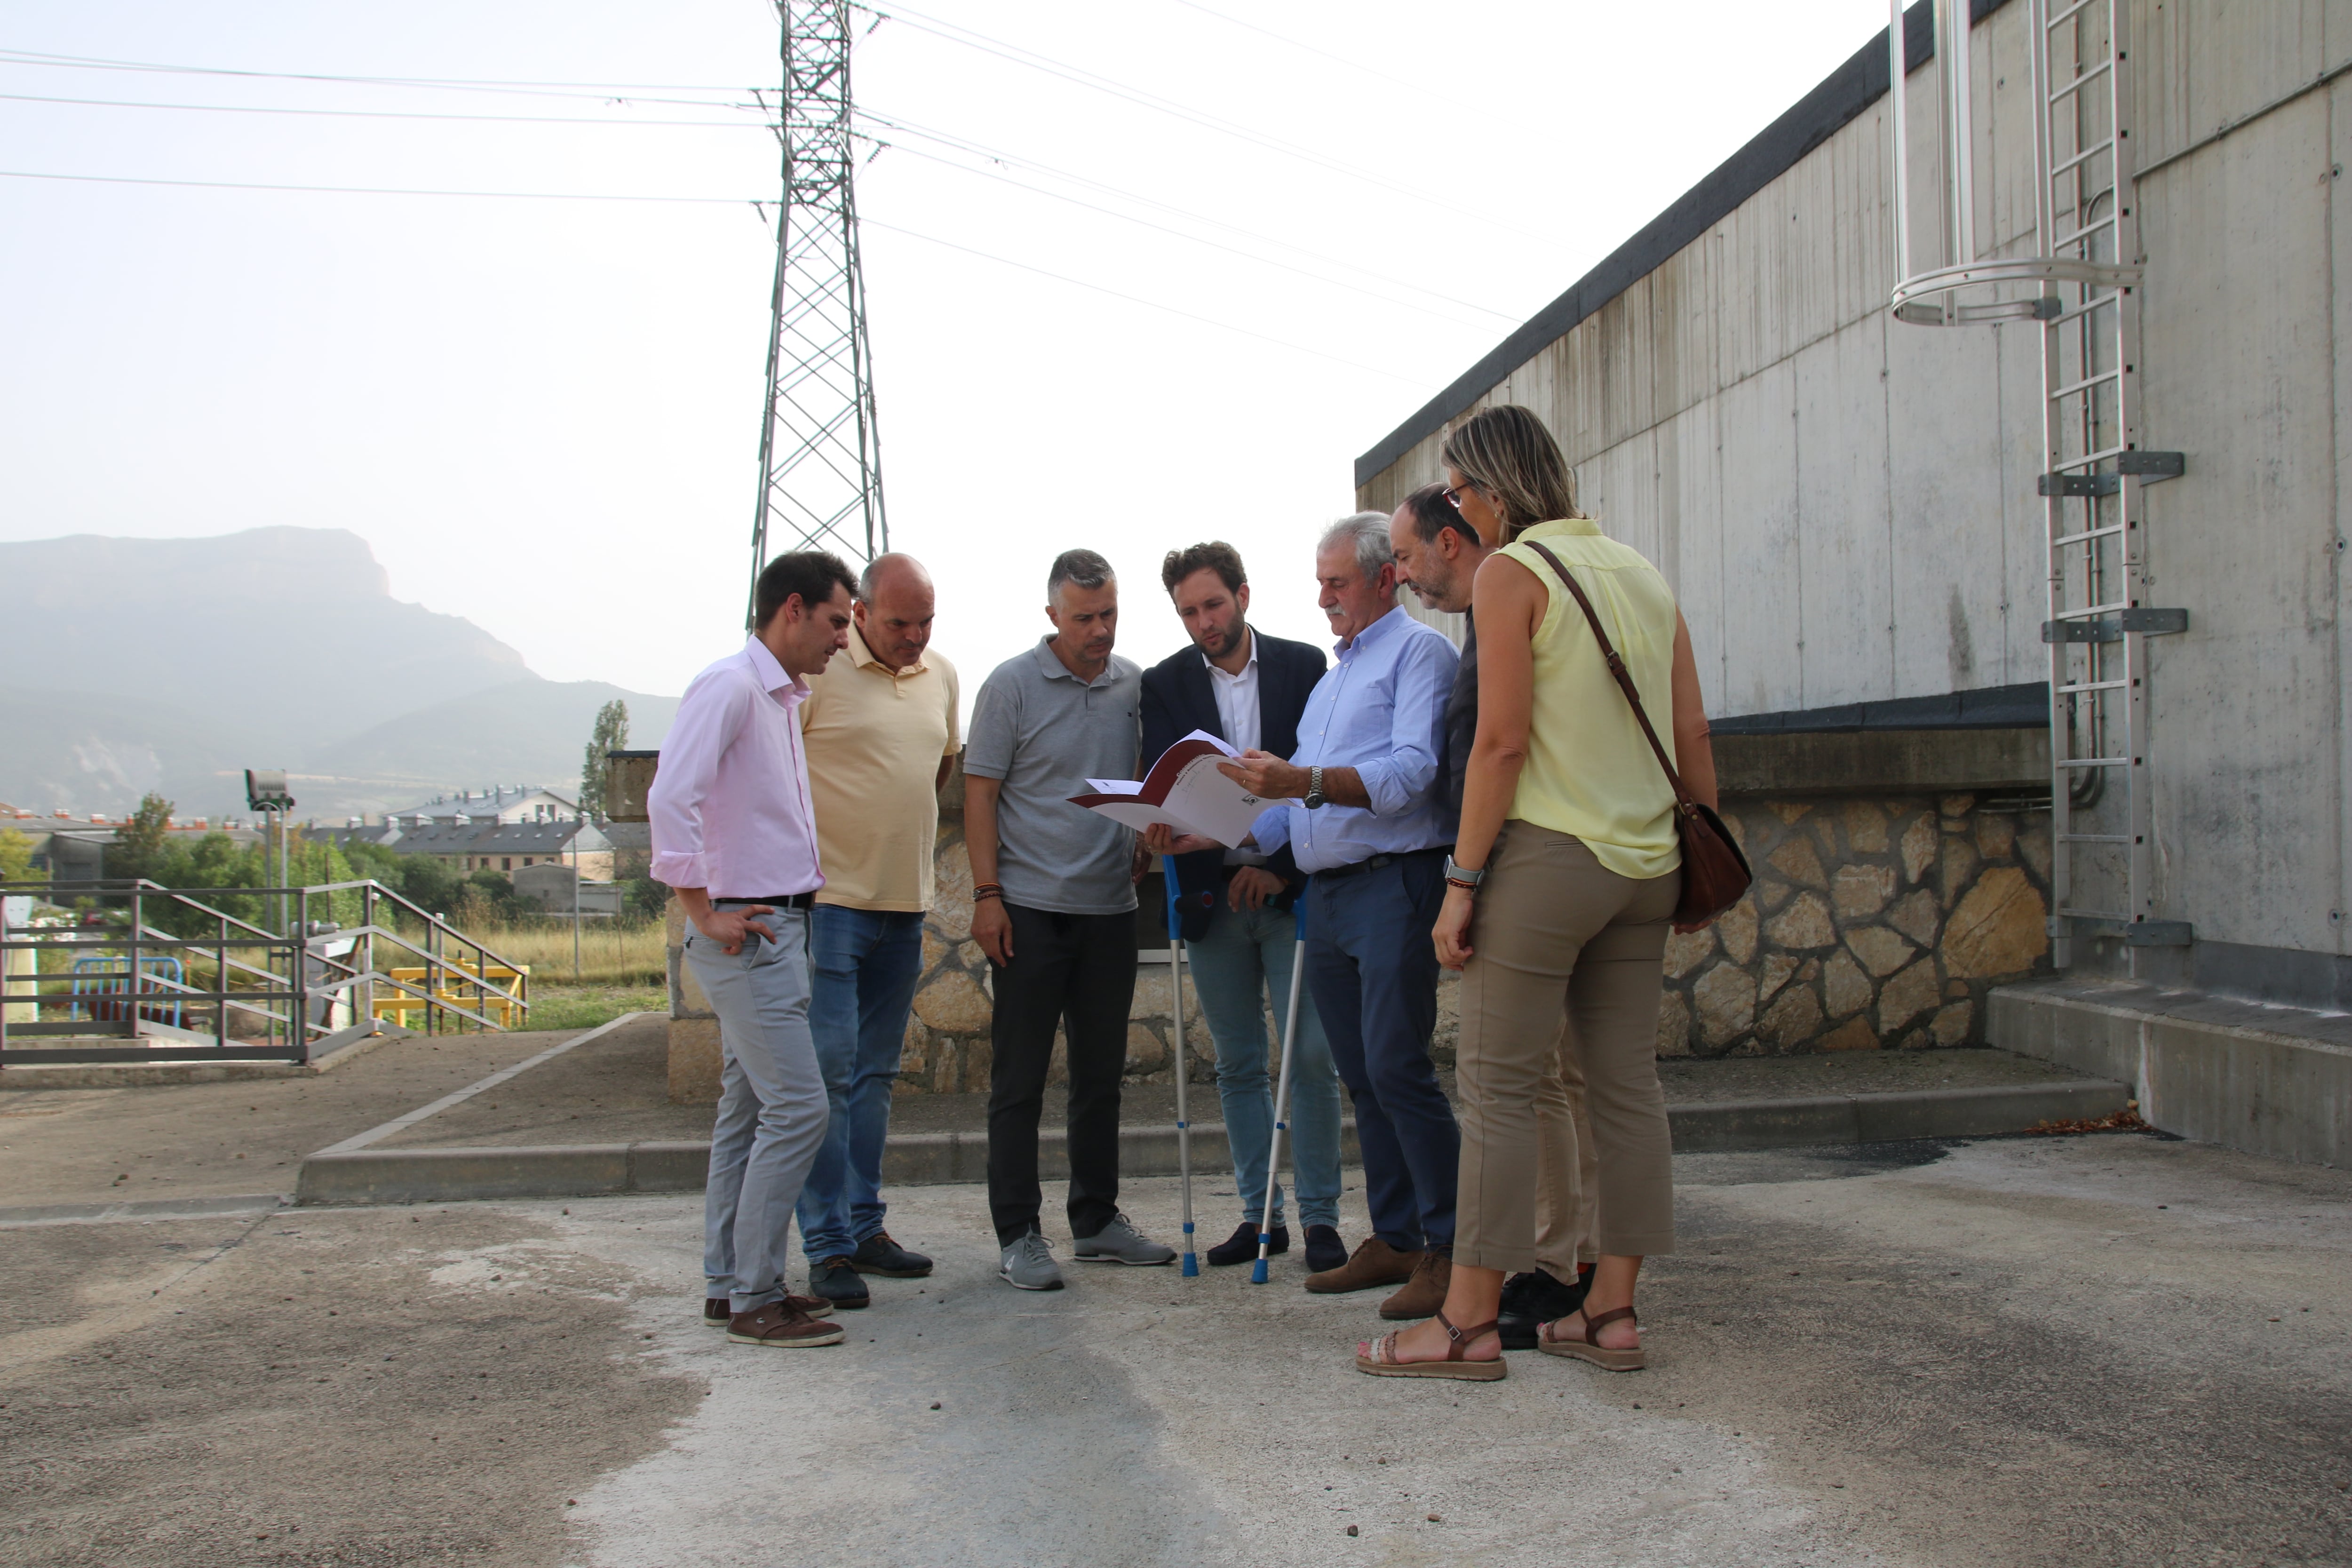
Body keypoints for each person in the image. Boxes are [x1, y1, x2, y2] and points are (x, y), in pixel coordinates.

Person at [1357, 403, 1716, 1380]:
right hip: (1646, 864)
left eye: (1462, 491)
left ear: (1497, 494)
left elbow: (1500, 742)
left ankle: (1466, 1324)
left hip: (1549, 861)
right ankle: (1610, 1313)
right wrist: (1692, 868)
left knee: (1500, 1088)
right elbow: (1693, 736)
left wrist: (1461, 880)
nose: (1459, 511)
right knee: (1625, 1088)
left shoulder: (1514, 572)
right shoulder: (1641, 572)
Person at [1217, 513, 1462, 1321]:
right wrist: (1199, 827)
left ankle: (1451, 1249)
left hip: (1394, 883)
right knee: (1361, 1075)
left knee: (1398, 1067)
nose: (1323, 598)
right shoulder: (1331, 680)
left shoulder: (1422, 653)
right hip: (1327, 897)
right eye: (1320, 583)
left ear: (1384, 578)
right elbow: (1292, 808)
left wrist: (1302, 781)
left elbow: (1413, 773)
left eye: (1336, 582)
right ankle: (1394, 1235)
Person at [1391, 485, 1597, 1349]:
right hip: (1578, 852)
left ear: (1451, 540)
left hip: (1527, 857)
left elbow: (1499, 743)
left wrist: (1465, 877)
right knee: (1567, 1078)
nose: (1402, 577)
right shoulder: (1531, 591)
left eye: (1405, 557)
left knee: (1526, 1082)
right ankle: (1568, 1259)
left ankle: (1552, 1270)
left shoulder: (1508, 591)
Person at [651, 550, 857, 1350]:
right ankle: (756, 1295)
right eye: (839, 621)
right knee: (800, 1107)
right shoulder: (733, 685)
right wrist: (701, 910)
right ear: (795, 609)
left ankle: (726, 1282)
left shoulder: (776, 697)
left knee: (747, 1108)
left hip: (774, 925)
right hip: (750, 929)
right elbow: (671, 793)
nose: (845, 638)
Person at [966, 549, 1178, 1290]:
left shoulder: (1133, 685)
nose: (1101, 630)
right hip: (1027, 910)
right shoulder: (1009, 686)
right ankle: (1019, 1233)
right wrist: (986, 894)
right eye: (1086, 617)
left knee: (1100, 1078)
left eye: (1111, 613)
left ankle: (1095, 1221)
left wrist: (1146, 837)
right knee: (1019, 1081)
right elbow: (980, 793)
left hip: (1110, 911)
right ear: (1052, 615)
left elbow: (1144, 783)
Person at [1138, 541, 1345, 1275]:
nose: (1204, 622)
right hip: (1208, 898)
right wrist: (1156, 821)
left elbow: (1317, 781)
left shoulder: (1304, 666)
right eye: (1189, 611)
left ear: (1244, 595)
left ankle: (1323, 1218)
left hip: (1291, 892)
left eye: (1214, 604)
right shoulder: (1163, 682)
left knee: (1313, 1058)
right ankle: (1262, 1215)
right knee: (1237, 1064)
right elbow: (1160, 778)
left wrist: (1280, 873)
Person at [793, 552, 961, 1309]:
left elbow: (938, 770)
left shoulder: (944, 676)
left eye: (927, 621)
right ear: (860, 613)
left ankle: (866, 1226)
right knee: (827, 1078)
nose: (916, 637)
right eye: (901, 623)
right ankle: (825, 1245)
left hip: (905, 907)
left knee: (874, 1079)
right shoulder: (819, 673)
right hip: (830, 905)